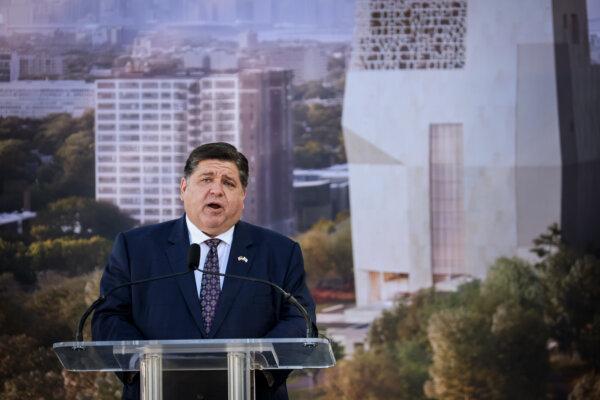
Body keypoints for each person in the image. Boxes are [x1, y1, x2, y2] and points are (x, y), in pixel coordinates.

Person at [92, 142, 316, 400]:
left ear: (243, 196)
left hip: (252, 391)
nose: (216, 190)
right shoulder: (136, 248)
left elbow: (301, 320)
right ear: (184, 188)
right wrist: (145, 366)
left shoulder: (280, 252)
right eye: (206, 179)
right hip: (157, 390)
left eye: (229, 183)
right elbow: (108, 317)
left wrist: (257, 367)